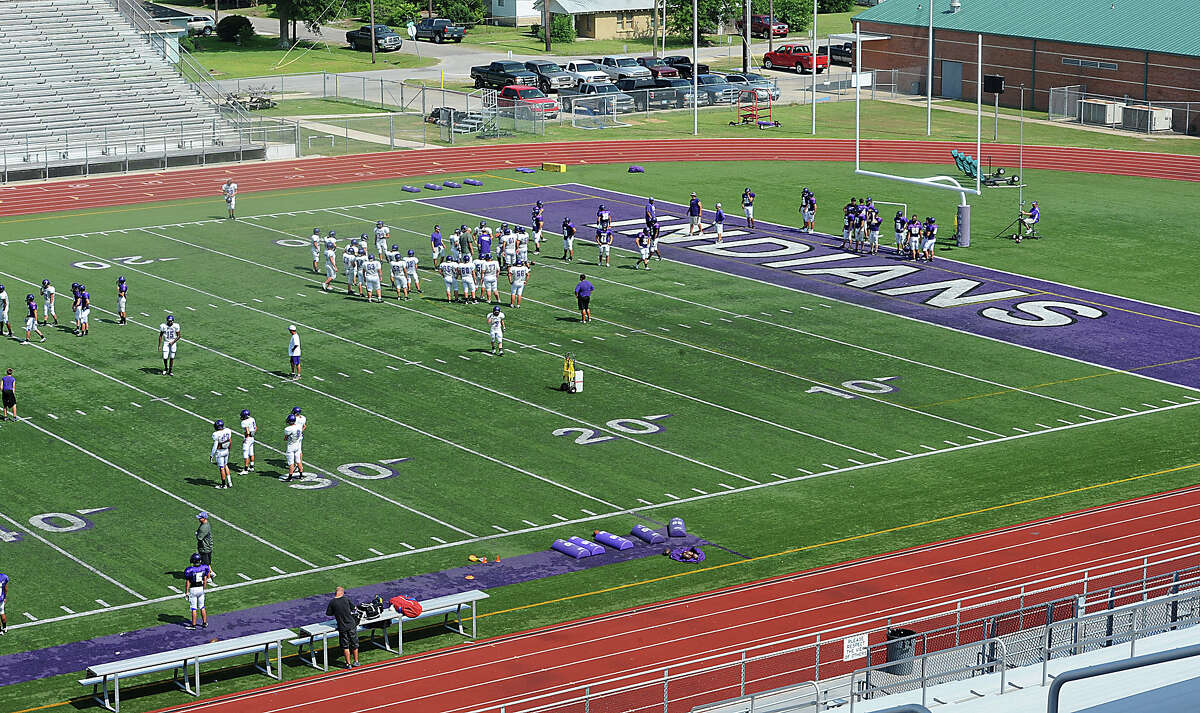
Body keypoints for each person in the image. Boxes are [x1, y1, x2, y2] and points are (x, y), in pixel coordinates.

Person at [326, 586, 359, 669]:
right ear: (342, 592)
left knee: (345, 645)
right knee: (354, 643)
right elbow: (354, 608)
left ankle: (348, 664)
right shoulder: (346, 599)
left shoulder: (332, 602)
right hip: (351, 625)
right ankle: (356, 661)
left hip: (342, 626)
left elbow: (328, 613)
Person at [183, 552, 211, 629]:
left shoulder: (190, 570)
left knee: (193, 608)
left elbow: (188, 582)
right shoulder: (204, 568)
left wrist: (186, 592)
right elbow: (205, 579)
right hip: (201, 588)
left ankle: (194, 625)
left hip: (193, 589)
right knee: (202, 606)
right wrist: (204, 588)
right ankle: (204, 623)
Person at [210, 419, 233, 489]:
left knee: (221, 468)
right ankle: (230, 482)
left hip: (220, 452)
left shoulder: (216, 434)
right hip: (226, 450)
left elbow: (215, 446)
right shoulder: (228, 430)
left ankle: (223, 485)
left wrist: (212, 455)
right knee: (226, 465)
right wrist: (229, 449)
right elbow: (230, 441)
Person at [281, 413, 304, 482]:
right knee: (298, 461)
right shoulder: (299, 426)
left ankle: (290, 477)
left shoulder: (288, 429)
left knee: (291, 463)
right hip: (297, 445)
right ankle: (301, 475)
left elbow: (285, 438)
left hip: (291, 447)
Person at [195, 511, 216, 580]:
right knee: (207, 561)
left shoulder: (203, 527)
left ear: (204, 518)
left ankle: (208, 578)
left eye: (200, 518)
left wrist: (197, 534)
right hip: (208, 546)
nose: (199, 519)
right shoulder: (206, 524)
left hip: (204, 548)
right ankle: (211, 572)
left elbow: (199, 537)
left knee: (205, 564)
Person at [239, 408, 256, 474]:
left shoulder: (244, 422)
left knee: (245, 454)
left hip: (248, 438)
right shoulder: (252, 419)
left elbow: (247, 431)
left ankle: (245, 469)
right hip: (252, 438)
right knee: (251, 452)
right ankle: (251, 467)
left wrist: (246, 438)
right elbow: (255, 428)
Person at [0, 570, 8, 635]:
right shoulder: (4, 577)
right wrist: (4, 597)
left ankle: (0, 630)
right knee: (2, 613)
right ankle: (5, 628)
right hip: (1, 599)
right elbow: (5, 589)